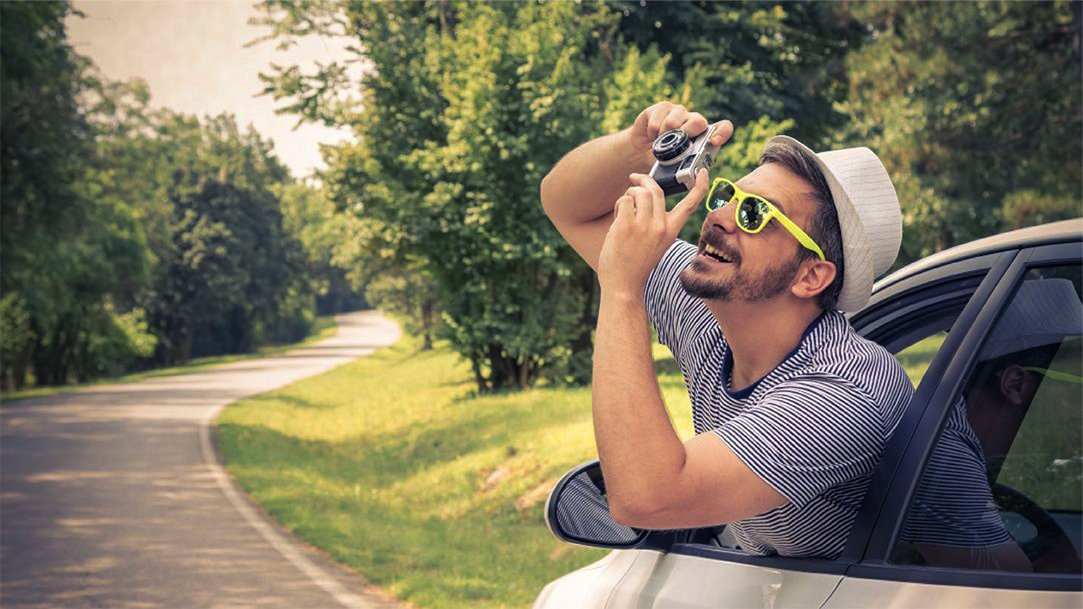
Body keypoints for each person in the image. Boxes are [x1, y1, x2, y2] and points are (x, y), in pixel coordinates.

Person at [540, 101, 914, 559]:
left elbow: (648, 497)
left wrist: (622, 288)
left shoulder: (846, 392)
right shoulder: (712, 312)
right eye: (726, 197)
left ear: (811, 276)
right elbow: (567, 206)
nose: (718, 217)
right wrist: (635, 148)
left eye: (754, 214)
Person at [899, 278, 1083, 573]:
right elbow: (1016, 590)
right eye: (1076, 377)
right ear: (1015, 384)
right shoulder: (946, 459)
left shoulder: (964, 442)